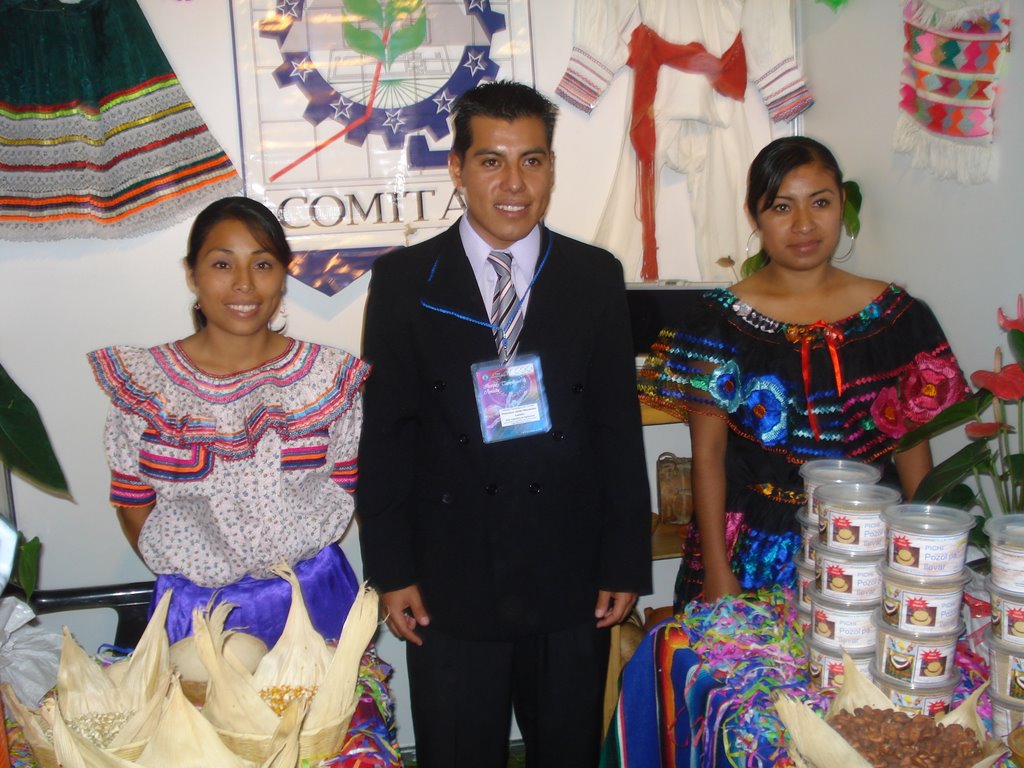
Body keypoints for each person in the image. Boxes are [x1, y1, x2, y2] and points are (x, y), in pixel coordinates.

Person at [357, 80, 652, 768]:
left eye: (532, 160)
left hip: (570, 571)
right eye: (491, 161)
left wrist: (624, 560)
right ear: (456, 169)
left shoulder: (594, 275)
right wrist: (392, 570)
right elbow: (388, 437)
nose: (514, 184)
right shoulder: (406, 280)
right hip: (450, 574)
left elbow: (617, 427)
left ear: (551, 167)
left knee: (567, 751)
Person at [638, 136, 968, 606]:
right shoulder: (714, 323)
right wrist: (716, 567)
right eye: (781, 207)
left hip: (868, 544)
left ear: (842, 204)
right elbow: (707, 456)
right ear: (754, 215)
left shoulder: (897, 317)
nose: (804, 224)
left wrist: (925, 560)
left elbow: (912, 448)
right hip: (751, 546)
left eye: (820, 202)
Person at [87, 196, 370, 647]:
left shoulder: (327, 380)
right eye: (222, 264)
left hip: (314, 603)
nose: (244, 283)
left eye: (262, 265)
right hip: (197, 614)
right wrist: (196, 576)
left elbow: (343, 485)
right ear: (191, 274)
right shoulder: (147, 387)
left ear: (283, 275)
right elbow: (132, 501)